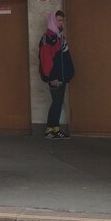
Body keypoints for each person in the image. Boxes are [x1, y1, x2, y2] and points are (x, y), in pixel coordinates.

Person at [38, 9, 74, 139]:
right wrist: (52, 77)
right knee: (56, 102)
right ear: (53, 21)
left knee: (59, 103)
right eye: (59, 20)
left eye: (62, 20)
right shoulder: (47, 38)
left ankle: (55, 129)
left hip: (62, 77)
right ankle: (49, 130)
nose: (61, 23)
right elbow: (46, 60)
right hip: (55, 78)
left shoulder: (60, 37)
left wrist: (68, 73)